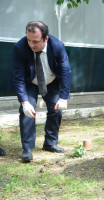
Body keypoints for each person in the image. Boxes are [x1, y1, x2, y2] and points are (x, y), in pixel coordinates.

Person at [11, 21, 71, 162]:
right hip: (29, 82)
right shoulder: (19, 48)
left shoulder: (57, 46)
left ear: (46, 38)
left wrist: (64, 97)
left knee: (56, 111)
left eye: (36, 41)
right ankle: (27, 148)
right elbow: (18, 77)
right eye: (29, 40)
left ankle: (50, 143)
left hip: (51, 81)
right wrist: (24, 102)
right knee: (27, 112)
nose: (31, 45)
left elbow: (65, 71)